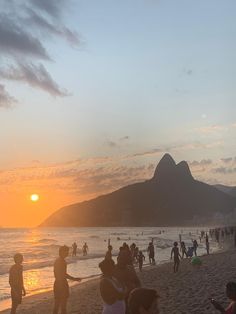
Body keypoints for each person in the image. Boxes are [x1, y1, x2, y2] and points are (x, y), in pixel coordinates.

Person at [53, 245, 81, 314]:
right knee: (63, 305)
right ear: (61, 252)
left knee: (57, 304)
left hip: (57, 283)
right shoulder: (61, 261)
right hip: (62, 284)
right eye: (66, 251)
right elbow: (63, 274)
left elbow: (56, 274)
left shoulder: (57, 260)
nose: (67, 253)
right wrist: (74, 279)